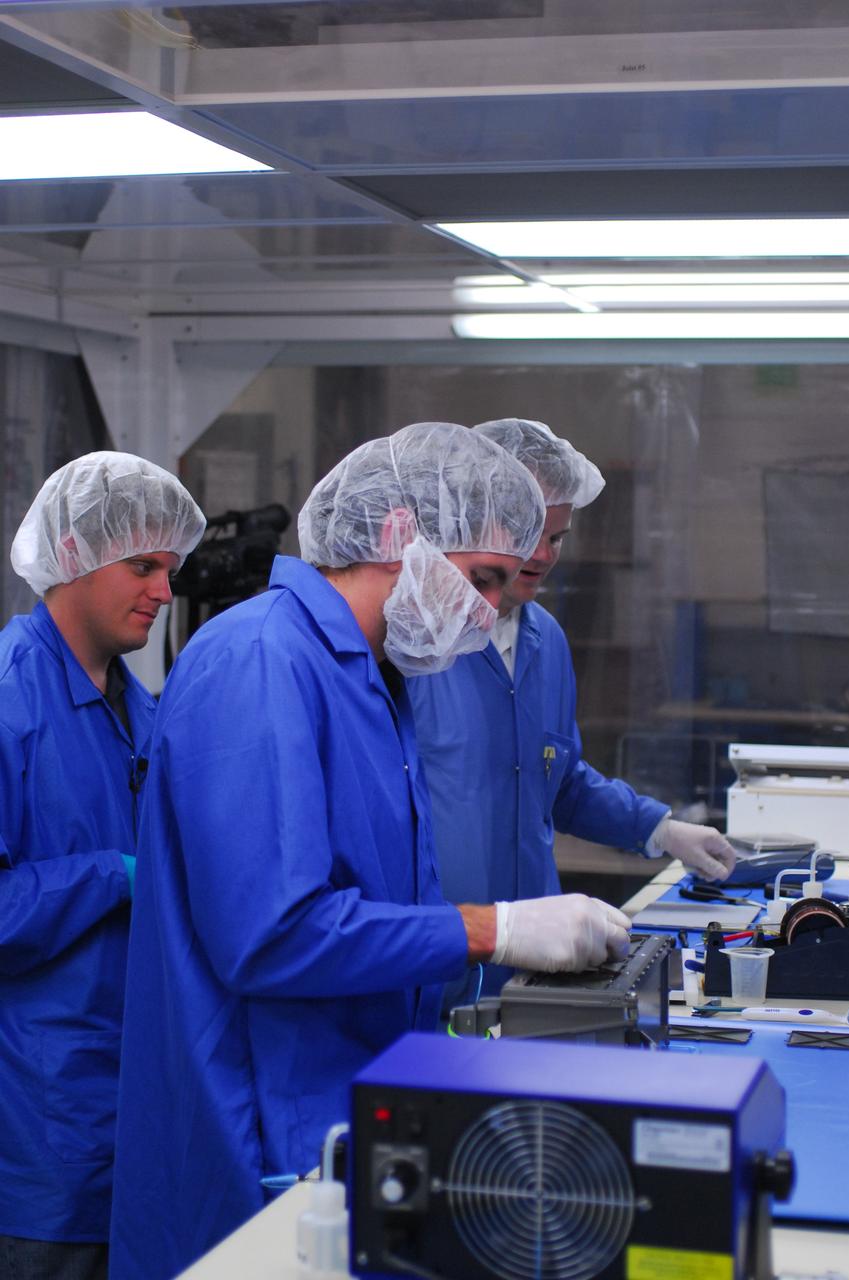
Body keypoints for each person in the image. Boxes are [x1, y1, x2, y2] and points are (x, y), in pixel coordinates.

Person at [108, 422, 633, 1280]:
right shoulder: (260, 661)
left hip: (348, 1112)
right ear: (397, 533)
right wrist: (492, 931)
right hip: (260, 1141)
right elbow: (272, 935)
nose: (490, 609)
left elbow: (381, 905)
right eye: (481, 579)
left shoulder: (375, 676)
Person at [409, 418, 736, 1004]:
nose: (541, 555)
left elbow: (556, 780)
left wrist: (658, 829)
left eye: (557, 537)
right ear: (469, 517)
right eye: (528, 531)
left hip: (533, 968)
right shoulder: (415, 644)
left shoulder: (547, 642)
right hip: (431, 964)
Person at [0, 452, 205, 1280]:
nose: (164, 591)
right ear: (74, 554)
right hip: (41, 1138)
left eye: (171, 570)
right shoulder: (11, 701)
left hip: (137, 1115)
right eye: (143, 566)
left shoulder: (141, 710)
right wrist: (112, 876)